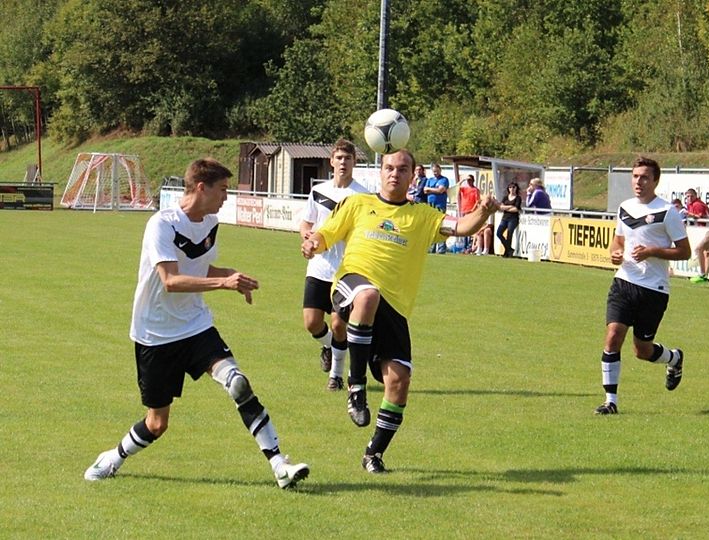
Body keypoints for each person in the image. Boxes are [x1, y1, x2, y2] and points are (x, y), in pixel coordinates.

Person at [84, 158, 309, 488]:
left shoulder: (210, 222)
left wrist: (231, 275)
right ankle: (114, 457)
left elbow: (200, 269)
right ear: (201, 188)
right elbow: (170, 280)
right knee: (157, 423)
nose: (227, 197)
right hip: (155, 333)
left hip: (195, 326)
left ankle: (279, 465)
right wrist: (223, 284)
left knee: (238, 383)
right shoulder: (161, 224)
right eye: (222, 189)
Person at [300, 149, 499, 472]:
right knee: (367, 296)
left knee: (399, 380)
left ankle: (373, 453)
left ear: (412, 176)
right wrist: (312, 243)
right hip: (353, 284)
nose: (395, 173)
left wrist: (484, 212)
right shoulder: (357, 203)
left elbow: (462, 227)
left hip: (394, 306)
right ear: (380, 172)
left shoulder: (423, 216)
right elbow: (326, 233)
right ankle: (356, 387)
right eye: (389, 168)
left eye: (402, 169)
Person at [594, 156, 690, 415]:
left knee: (642, 350)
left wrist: (652, 251)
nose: (639, 181)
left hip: (653, 290)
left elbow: (685, 252)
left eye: (644, 177)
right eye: (635, 176)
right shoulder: (625, 207)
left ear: (655, 181)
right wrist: (614, 252)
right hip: (624, 281)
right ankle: (610, 401)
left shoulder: (667, 212)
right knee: (613, 337)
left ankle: (674, 358)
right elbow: (618, 241)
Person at [299, 138, 368, 391]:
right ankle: (328, 345)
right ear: (331, 161)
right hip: (319, 267)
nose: (343, 163)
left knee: (339, 324)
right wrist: (306, 239)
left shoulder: (362, 196)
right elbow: (307, 224)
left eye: (347, 159)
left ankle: (336, 376)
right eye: (339, 158)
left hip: (347, 270)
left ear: (354, 163)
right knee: (311, 322)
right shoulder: (318, 191)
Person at [424, 163, 450, 253]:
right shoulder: (430, 180)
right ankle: (432, 248)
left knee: (441, 226)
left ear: (440, 170)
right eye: (434, 171)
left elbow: (441, 190)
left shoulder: (444, 179)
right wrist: (435, 190)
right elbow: (424, 190)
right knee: (431, 227)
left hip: (440, 206)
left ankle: (441, 248)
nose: (435, 173)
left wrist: (430, 190)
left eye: (437, 171)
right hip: (430, 205)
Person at [496, 182, 522, 257]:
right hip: (505, 218)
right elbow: (501, 207)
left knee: (509, 233)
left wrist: (506, 207)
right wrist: (510, 206)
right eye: (510, 187)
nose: (512, 189)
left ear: (516, 188)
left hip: (513, 218)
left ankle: (507, 252)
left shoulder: (518, 198)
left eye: (514, 187)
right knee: (499, 233)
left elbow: (516, 209)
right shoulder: (505, 197)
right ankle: (509, 249)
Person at [457, 175, 481, 254]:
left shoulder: (475, 190)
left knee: (469, 230)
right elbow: (457, 187)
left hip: (470, 211)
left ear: (473, 180)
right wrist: (462, 180)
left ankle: (468, 247)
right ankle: (464, 247)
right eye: (468, 180)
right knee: (463, 229)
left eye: (470, 180)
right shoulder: (464, 189)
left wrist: (472, 210)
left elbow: (477, 201)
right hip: (464, 211)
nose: (469, 182)